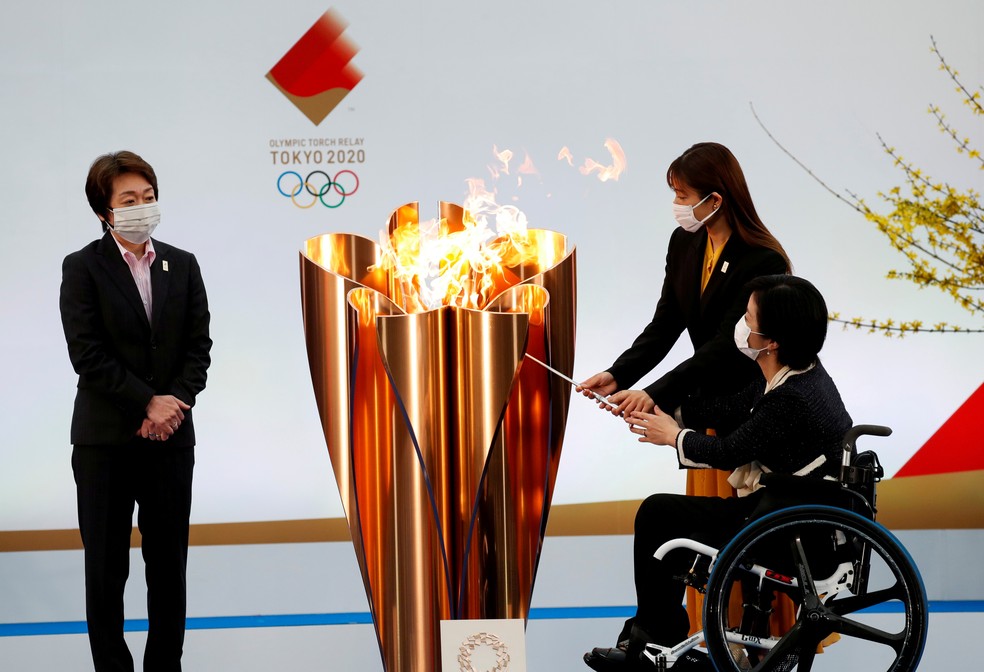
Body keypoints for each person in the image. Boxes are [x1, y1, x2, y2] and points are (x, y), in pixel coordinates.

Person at [583, 275, 853, 671]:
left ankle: (651, 641)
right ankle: (654, 637)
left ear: (771, 340)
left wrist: (673, 437)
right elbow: (731, 409)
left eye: (748, 316)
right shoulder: (797, 373)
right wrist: (652, 406)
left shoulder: (792, 396)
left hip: (789, 529)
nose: (740, 326)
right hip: (789, 513)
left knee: (658, 514)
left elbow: (729, 450)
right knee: (665, 515)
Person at [60, 151, 212, 672]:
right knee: (106, 570)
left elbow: (199, 349)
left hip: (171, 440)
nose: (142, 208)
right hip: (105, 443)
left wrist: (173, 405)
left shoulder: (182, 263)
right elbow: (87, 354)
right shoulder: (82, 267)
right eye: (129, 200)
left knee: (168, 568)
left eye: (148, 198)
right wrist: (145, 401)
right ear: (104, 210)